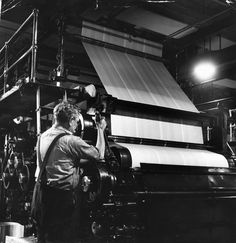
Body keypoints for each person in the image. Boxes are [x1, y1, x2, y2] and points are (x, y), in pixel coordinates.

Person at [34, 101, 106, 243]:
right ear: (71, 119)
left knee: (44, 237)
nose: (77, 125)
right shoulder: (70, 141)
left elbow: (57, 161)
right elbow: (99, 154)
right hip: (61, 200)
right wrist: (101, 130)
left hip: (41, 197)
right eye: (76, 121)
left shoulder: (43, 136)